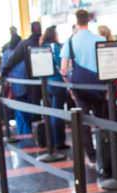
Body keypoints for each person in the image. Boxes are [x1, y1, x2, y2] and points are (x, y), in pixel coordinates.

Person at [59, 10, 106, 163]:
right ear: (89, 20)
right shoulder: (100, 39)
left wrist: (70, 88)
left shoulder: (70, 42)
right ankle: (105, 150)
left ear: (76, 21)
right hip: (99, 86)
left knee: (83, 121)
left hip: (79, 86)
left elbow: (64, 69)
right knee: (102, 119)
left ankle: (91, 156)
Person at [1, 22, 43, 134]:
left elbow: (13, 60)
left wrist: (3, 73)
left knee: (32, 108)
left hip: (31, 83)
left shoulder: (25, 44)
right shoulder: (42, 42)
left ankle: (34, 134)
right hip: (46, 82)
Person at [41, 26, 68, 149]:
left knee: (52, 111)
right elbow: (61, 65)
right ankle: (59, 142)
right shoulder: (55, 47)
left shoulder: (42, 47)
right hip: (57, 83)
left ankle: (52, 140)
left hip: (47, 83)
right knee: (57, 112)